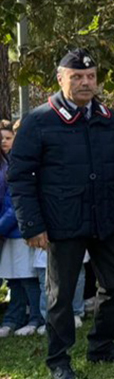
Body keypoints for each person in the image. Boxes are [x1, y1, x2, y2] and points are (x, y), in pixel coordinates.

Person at [8, 49, 114, 379]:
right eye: (77, 77)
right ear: (60, 78)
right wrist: (32, 225)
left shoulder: (110, 120)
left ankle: (102, 345)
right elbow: (21, 177)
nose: (85, 82)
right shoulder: (39, 121)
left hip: (106, 217)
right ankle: (59, 359)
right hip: (61, 221)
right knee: (61, 296)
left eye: (91, 76)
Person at [1, 131, 44, 338]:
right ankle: (13, 317)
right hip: (7, 233)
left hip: (20, 231)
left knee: (28, 277)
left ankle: (36, 316)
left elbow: (13, 203)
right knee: (14, 278)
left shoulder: (15, 166)